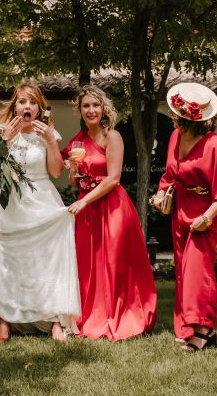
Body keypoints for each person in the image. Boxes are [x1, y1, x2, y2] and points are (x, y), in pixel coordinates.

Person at [0, 82, 80, 342]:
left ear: (39, 108)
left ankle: (54, 321)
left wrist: (50, 139)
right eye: (22, 101)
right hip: (11, 203)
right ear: (14, 105)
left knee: (46, 262)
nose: (27, 106)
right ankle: (5, 320)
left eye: (33, 102)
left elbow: (56, 172)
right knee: (10, 261)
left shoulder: (49, 133)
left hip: (42, 200)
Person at [64, 85, 157, 341]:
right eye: (86, 106)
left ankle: (119, 315)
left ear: (103, 108)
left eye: (95, 105)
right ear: (80, 110)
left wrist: (84, 202)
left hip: (112, 206)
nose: (91, 110)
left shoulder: (112, 137)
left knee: (114, 262)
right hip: (86, 208)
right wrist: (72, 170)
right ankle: (91, 315)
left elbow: (113, 179)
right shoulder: (77, 141)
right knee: (89, 264)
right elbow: (76, 182)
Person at [153, 82, 217, 352]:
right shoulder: (177, 137)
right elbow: (169, 175)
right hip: (181, 207)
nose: (174, 117)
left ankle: (205, 329)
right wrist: (160, 193)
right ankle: (187, 325)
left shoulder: (216, 146)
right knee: (182, 269)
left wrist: (207, 217)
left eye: (179, 114)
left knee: (198, 270)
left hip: (208, 209)